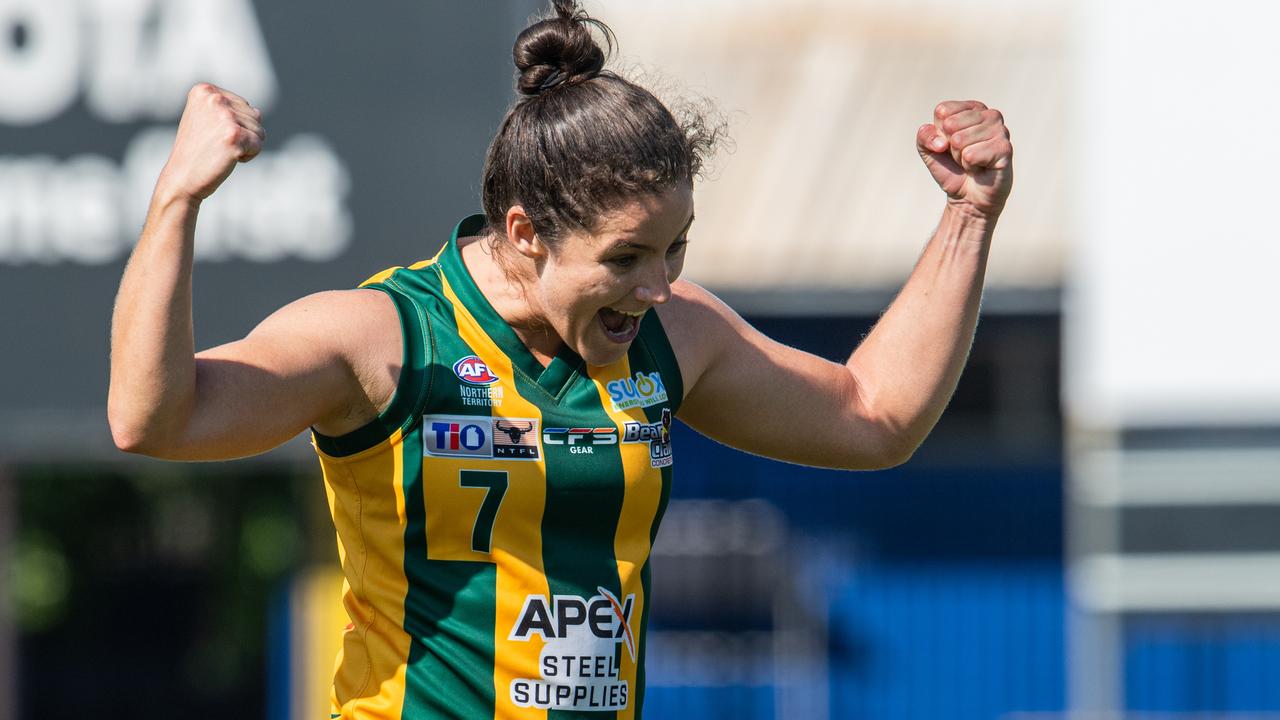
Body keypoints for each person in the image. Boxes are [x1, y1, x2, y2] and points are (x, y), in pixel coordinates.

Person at [107, 1, 1012, 717]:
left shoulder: (673, 336)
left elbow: (875, 417)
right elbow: (152, 419)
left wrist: (969, 215)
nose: (658, 286)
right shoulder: (381, 338)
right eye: (625, 258)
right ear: (524, 234)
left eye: (676, 249)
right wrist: (177, 200)